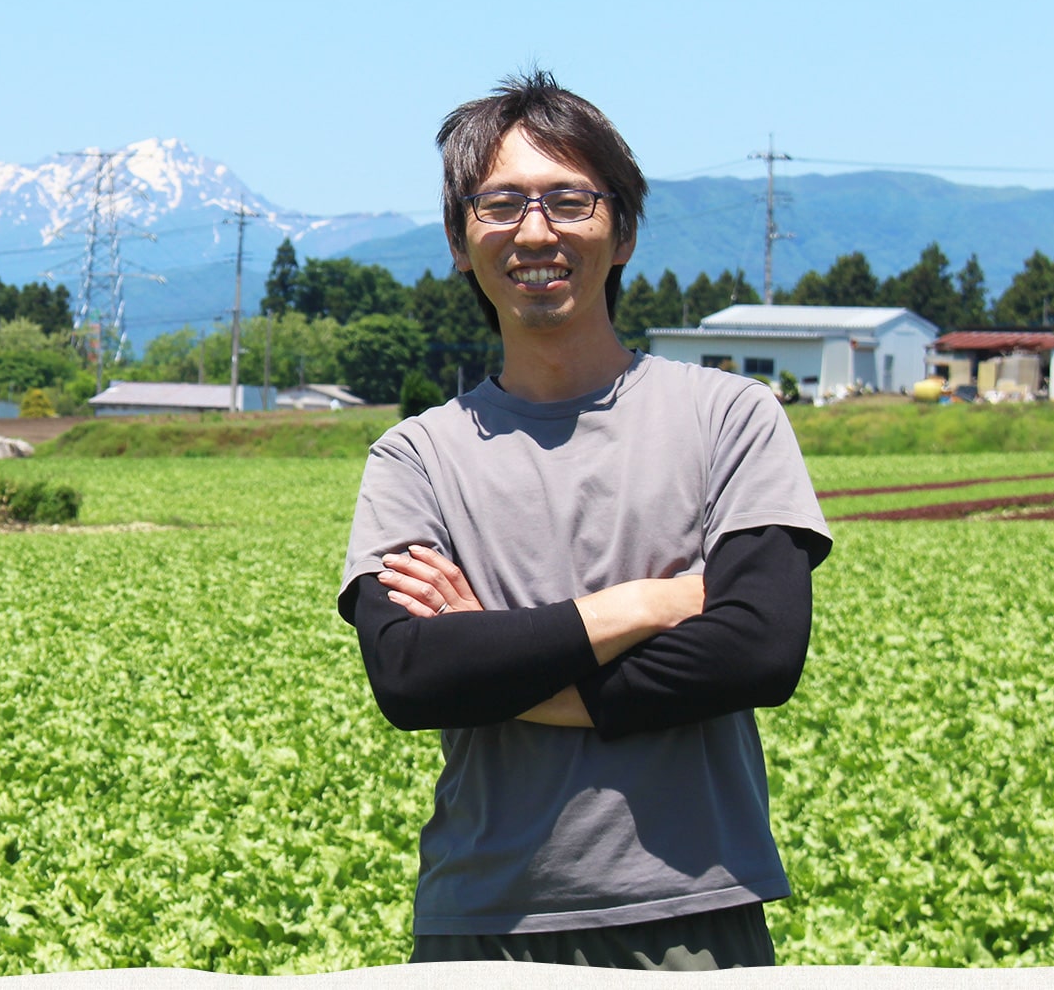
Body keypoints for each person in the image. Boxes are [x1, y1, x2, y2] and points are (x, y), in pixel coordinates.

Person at [338, 70, 831, 970]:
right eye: (500, 205)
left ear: (623, 231)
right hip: (483, 921)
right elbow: (414, 677)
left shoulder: (730, 417)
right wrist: (647, 605)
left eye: (569, 200)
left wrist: (497, 656)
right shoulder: (415, 458)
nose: (535, 232)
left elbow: (759, 648)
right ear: (460, 241)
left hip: (694, 910)